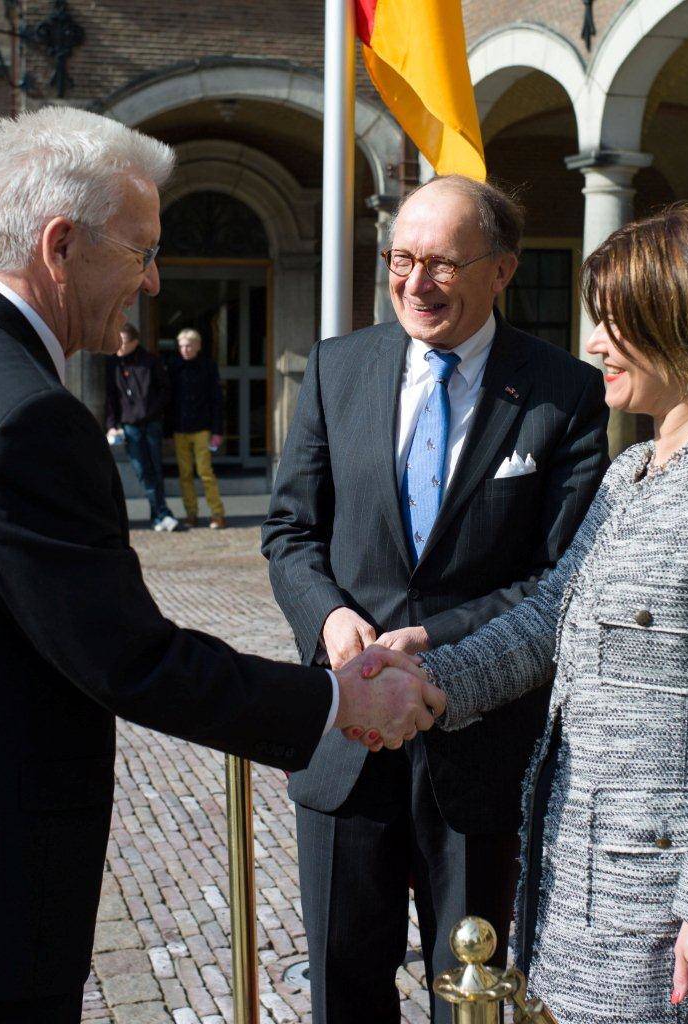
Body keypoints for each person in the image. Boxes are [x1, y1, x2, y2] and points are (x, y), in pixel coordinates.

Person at [0, 107, 445, 1024]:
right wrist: (338, 701)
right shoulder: (23, 417)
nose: (153, 281)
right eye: (142, 250)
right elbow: (130, 660)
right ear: (61, 243)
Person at [414, 203, 688, 1024]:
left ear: (687, 325)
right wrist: (426, 684)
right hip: (587, 897)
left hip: (672, 924)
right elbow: (547, 622)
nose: (592, 343)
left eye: (616, 322)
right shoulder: (633, 469)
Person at [262, 175, 609, 1023]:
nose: (416, 284)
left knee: (477, 999)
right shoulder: (339, 368)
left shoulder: (565, 392)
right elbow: (290, 532)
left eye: (443, 264)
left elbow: (559, 576)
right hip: (346, 737)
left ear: (501, 271)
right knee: (345, 992)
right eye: (402, 259)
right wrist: (331, 619)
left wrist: (431, 647)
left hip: (481, 749)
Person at [105, 321, 179, 532]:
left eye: (123, 343)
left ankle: (159, 516)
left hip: (151, 423)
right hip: (129, 426)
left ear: (135, 342)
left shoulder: (150, 361)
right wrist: (111, 425)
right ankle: (162, 513)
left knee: (155, 469)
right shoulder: (113, 364)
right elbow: (111, 398)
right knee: (142, 470)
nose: (119, 347)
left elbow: (165, 390)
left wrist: (150, 411)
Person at [169, 327, 226, 529]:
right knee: (185, 474)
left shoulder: (208, 367)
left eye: (189, 345)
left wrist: (217, 430)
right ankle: (191, 513)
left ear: (198, 346)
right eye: (182, 346)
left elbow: (216, 399)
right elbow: (169, 399)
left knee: (205, 472)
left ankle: (217, 513)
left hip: (202, 427)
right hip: (180, 428)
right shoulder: (174, 366)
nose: (185, 349)